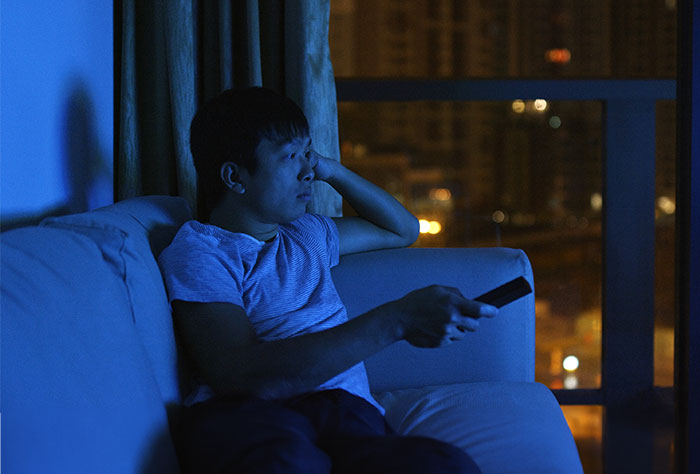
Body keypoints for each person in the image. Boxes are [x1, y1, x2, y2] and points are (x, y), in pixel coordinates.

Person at [158, 87, 496, 473]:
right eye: (290, 157)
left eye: (308, 154)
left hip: (343, 409)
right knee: (284, 460)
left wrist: (332, 169)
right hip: (254, 414)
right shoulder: (202, 250)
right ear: (235, 177)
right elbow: (240, 374)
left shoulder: (307, 234)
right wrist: (395, 319)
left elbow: (402, 229)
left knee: (444, 465)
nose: (307, 171)